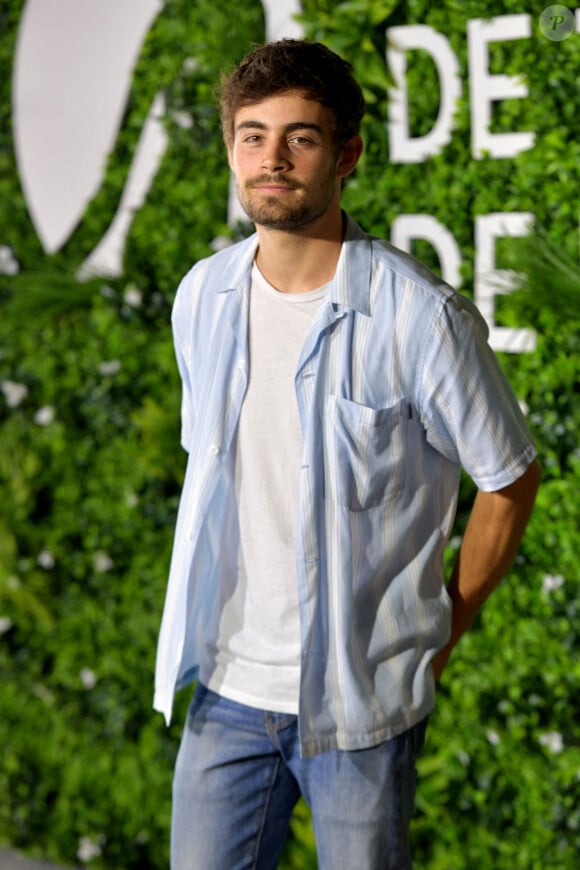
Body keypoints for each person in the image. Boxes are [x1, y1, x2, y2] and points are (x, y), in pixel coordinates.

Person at [154, 38, 541, 870]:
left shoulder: (420, 316)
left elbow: (510, 477)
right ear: (229, 148)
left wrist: (449, 623)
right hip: (224, 691)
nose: (272, 158)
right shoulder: (202, 296)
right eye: (252, 134)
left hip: (362, 705)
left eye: (301, 137)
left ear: (347, 155)